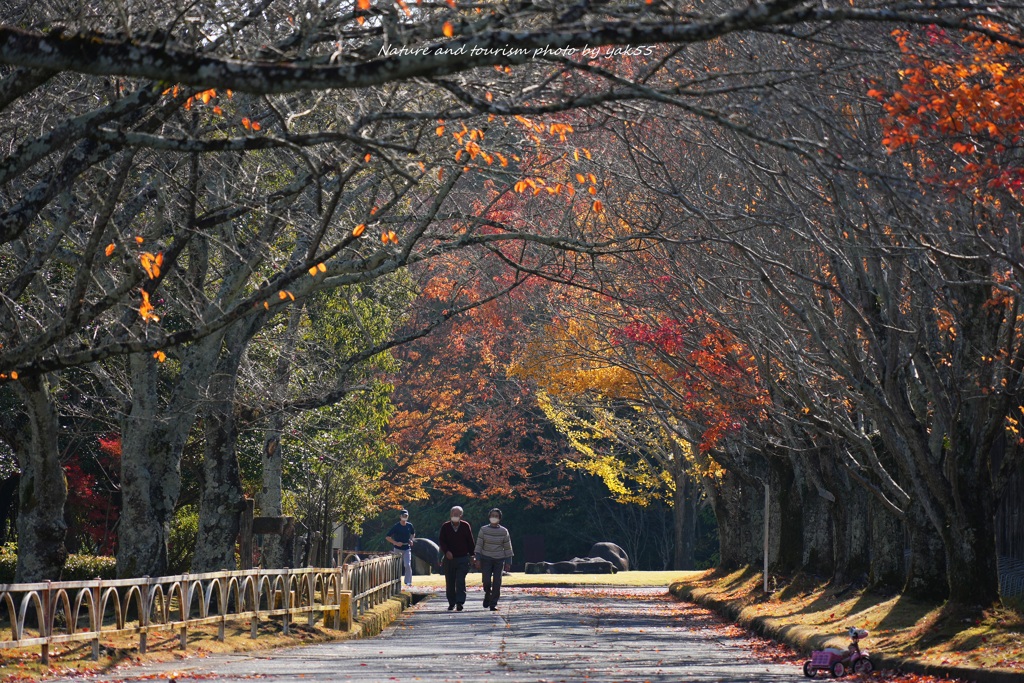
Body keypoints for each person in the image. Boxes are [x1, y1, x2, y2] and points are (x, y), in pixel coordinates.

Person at [475, 507, 513, 611]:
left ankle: (493, 603)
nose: (494, 518)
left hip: (499, 559)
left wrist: (508, 562)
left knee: (497, 582)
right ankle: (488, 593)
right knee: (486, 581)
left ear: (499, 518)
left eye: (496, 516)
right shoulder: (483, 530)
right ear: (489, 517)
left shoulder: (504, 531)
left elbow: (508, 547)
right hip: (486, 558)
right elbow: (479, 545)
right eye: (492, 516)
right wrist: (477, 559)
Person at [438, 505, 474, 611]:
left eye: (457, 514)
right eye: (453, 514)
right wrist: (446, 551)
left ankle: (460, 602)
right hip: (449, 559)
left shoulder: (465, 526)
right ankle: (451, 602)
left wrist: (472, 555)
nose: (455, 516)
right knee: (450, 581)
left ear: (461, 515)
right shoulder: (445, 526)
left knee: (460, 580)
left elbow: (470, 541)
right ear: (450, 515)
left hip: (462, 558)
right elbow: (442, 541)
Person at [385, 509, 415, 588]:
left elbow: (413, 533)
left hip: (407, 548)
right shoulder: (396, 526)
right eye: (403, 516)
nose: (405, 517)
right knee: (396, 566)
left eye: (406, 516)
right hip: (398, 549)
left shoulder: (409, 525)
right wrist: (395, 543)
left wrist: (411, 540)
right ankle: (395, 581)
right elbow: (387, 537)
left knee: (407, 565)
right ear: (400, 517)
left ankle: (408, 582)